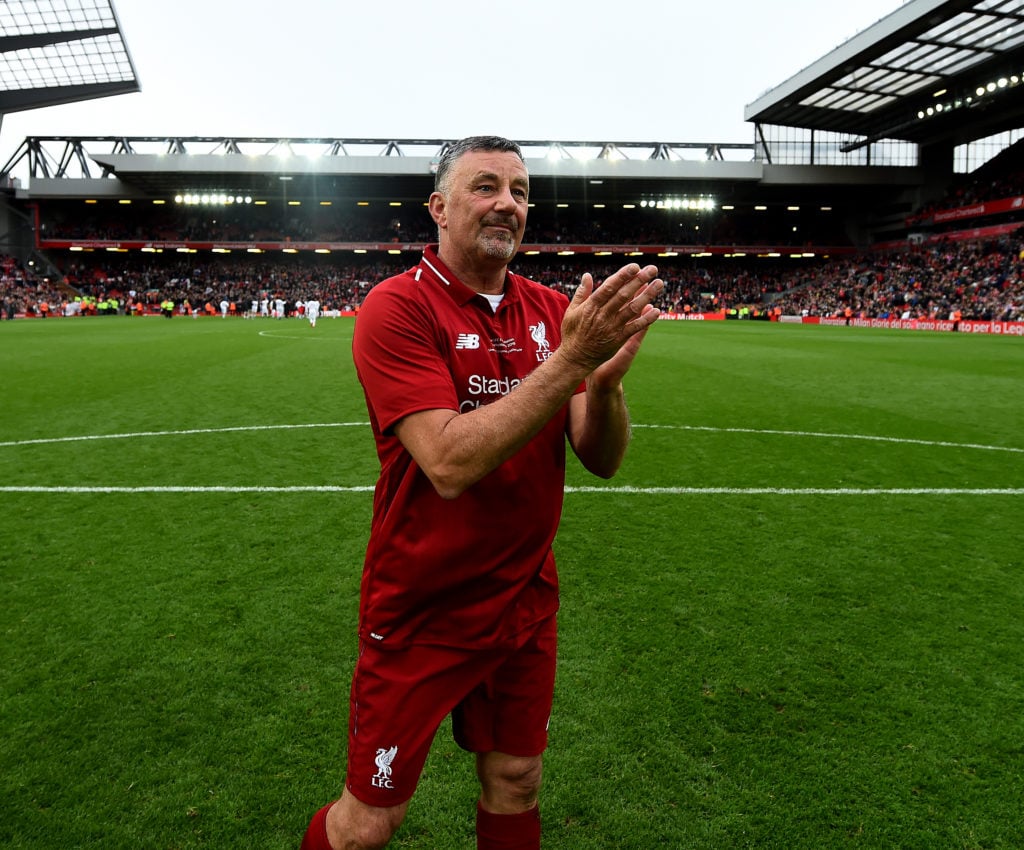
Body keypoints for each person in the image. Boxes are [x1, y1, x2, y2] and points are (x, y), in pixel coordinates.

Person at [300, 135, 663, 850]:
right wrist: (573, 362)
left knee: (518, 780)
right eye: (486, 186)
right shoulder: (396, 307)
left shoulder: (555, 310)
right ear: (437, 207)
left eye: (521, 191)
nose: (508, 204)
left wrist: (608, 383)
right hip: (423, 605)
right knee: (369, 824)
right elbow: (446, 461)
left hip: (524, 599)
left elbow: (601, 457)